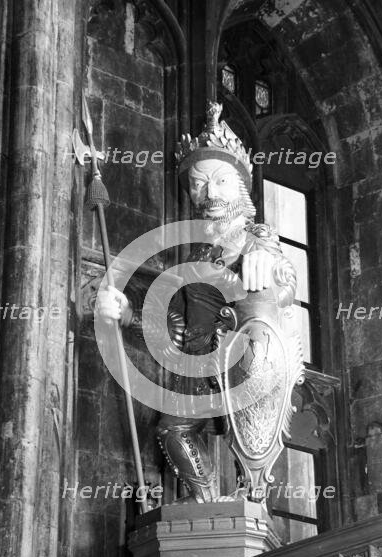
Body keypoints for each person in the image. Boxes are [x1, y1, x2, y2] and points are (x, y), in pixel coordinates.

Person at [97, 102, 303, 503]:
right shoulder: (195, 257)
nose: (208, 194)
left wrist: (266, 262)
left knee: (249, 438)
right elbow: (171, 322)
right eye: (198, 183)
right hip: (202, 367)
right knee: (171, 430)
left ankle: (253, 499)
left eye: (220, 182)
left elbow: (284, 284)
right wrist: (126, 314)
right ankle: (209, 507)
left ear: (240, 186)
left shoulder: (256, 237)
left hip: (243, 361)